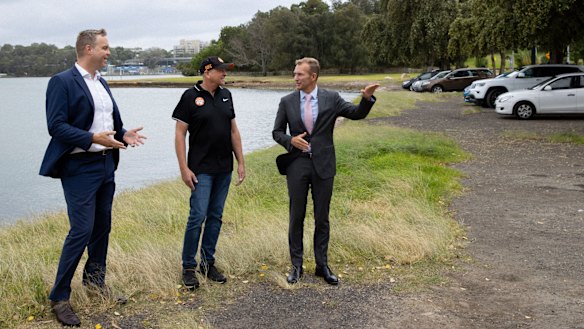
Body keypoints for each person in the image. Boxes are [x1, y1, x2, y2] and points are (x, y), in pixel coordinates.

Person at [39, 29, 146, 326]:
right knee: (81, 230)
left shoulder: (102, 82)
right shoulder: (61, 82)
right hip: (78, 167)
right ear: (88, 49)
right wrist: (91, 138)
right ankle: (59, 297)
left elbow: (112, 124)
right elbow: (56, 126)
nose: (109, 52)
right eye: (105, 47)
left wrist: (124, 134)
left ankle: (95, 283)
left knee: (102, 227)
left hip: (105, 164)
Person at [272, 57, 379, 285]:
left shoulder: (332, 98)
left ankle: (322, 266)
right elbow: (277, 132)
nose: (295, 78)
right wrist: (291, 141)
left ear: (313, 76)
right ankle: (297, 266)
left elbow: (357, 113)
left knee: (322, 218)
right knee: (296, 216)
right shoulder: (287, 101)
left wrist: (367, 99)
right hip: (297, 165)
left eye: (299, 74)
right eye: (294, 74)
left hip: (324, 164)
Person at [173, 56, 245, 290]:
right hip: (200, 170)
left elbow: (234, 131)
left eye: (225, 70)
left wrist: (241, 162)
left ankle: (208, 263)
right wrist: (184, 168)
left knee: (215, 216)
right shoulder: (189, 97)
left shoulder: (226, 95)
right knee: (198, 216)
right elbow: (179, 135)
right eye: (221, 70)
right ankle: (188, 267)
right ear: (207, 72)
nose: (225, 73)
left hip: (224, 168)